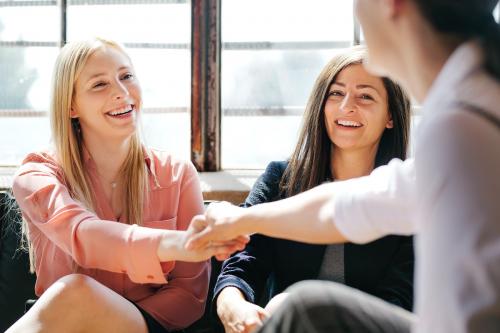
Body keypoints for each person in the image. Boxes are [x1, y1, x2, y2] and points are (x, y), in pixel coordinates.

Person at [187, 0, 500, 332]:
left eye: (365, 96)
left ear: (392, 4)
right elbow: (344, 207)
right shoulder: (466, 108)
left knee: (306, 308)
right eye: (336, 94)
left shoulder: (463, 123)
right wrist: (240, 221)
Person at [7, 38, 247, 333]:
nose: (122, 93)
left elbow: (190, 294)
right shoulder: (36, 176)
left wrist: (115, 322)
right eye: (99, 85)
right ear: (70, 106)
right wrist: (180, 244)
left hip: (147, 328)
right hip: (63, 325)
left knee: (77, 292)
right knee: (76, 292)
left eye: (126, 76)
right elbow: (83, 236)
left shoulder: (178, 173)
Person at [213, 47, 414, 333]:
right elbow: (244, 260)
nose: (347, 106)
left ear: (391, 116)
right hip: (281, 323)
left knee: (290, 303)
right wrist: (232, 305)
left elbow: (399, 299)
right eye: (336, 93)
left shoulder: (403, 196)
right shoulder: (280, 179)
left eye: (365, 96)